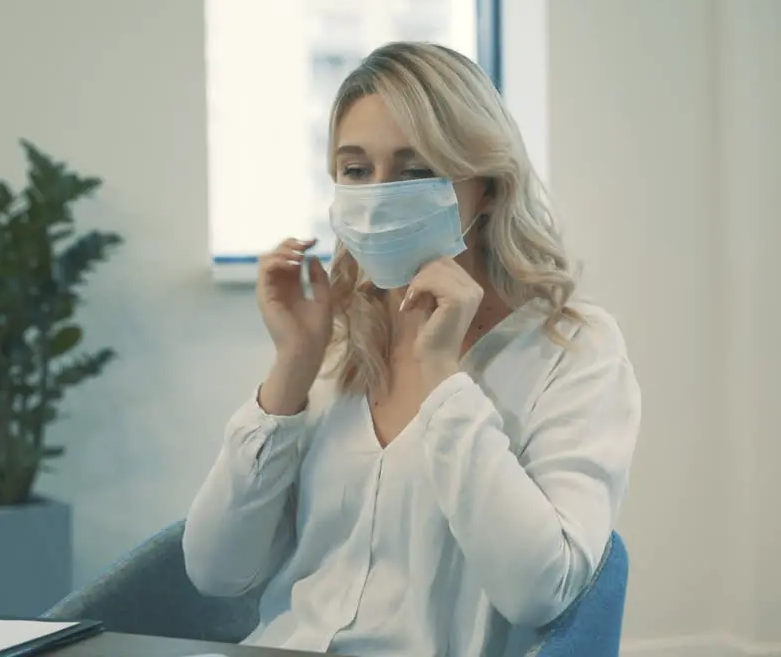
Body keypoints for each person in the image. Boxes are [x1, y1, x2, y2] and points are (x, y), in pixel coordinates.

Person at [182, 42, 642, 657]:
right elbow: (215, 572)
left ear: (487, 187)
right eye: (355, 169)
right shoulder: (335, 339)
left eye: (415, 169)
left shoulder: (572, 350)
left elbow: (541, 589)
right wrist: (292, 363)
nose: (378, 194)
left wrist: (443, 376)